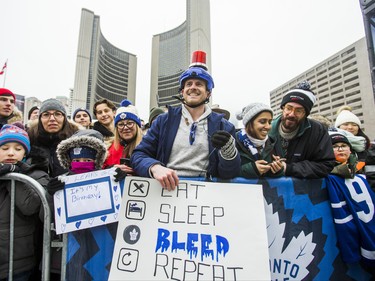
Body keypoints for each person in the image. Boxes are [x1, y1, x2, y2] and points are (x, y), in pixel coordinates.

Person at [131, 61, 240, 190]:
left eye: (199, 84)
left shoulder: (224, 127)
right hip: (166, 189)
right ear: (182, 92)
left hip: (206, 193)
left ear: (208, 93)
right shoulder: (163, 121)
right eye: (189, 84)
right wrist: (154, 167)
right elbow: (138, 155)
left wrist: (229, 154)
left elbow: (230, 174)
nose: (193, 87)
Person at [47, 129, 125, 281]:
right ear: (69, 161)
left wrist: (122, 182)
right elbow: (48, 217)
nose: (82, 164)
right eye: (77, 160)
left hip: (105, 243)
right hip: (75, 247)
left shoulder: (109, 179)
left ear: (97, 160)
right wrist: (51, 195)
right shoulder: (61, 182)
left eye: (88, 160)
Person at [0, 125, 49, 281]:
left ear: (26, 153)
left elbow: (30, 207)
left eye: (18, 149)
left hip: (17, 262)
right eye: (5, 148)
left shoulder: (37, 175)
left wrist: (14, 175)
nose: (11, 153)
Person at [268, 81, 335, 179]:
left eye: (298, 110)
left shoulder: (318, 131)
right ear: (283, 108)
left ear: (306, 114)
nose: (291, 114)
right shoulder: (266, 129)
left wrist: (289, 168)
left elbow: (326, 164)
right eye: (289, 108)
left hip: (304, 192)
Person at [235, 103, 284, 178]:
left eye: (270, 122)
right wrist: (251, 169)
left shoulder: (273, 142)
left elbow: (281, 178)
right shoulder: (233, 142)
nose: (268, 126)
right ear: (249, 123)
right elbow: (224, 172)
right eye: (262, 121)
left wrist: (278, 170)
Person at [103, 99, 143, 175]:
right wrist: (111, 169)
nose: (125, 128)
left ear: (137, 125)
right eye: (121, 124)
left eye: (130, 123)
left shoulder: (148, 146)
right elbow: (100, 171)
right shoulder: (107, 149)